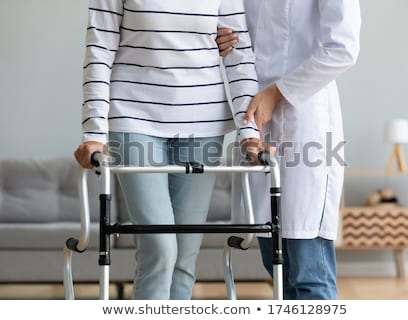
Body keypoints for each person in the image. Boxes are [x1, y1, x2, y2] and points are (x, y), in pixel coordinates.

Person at [74, 0, 266, 300]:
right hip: (133, 117)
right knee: (160, 247)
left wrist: (249, 132)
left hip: (203, 123)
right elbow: (99, 51)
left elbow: (239, 57)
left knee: (186, 254)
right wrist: (94, 132)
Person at [217, 0, 361, 299]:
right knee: (277, 271)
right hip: (254, 120)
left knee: (309, 272)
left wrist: (277, 92)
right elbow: (235, 36)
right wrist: (220, 39)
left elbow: (343, 48)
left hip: (306, 117)